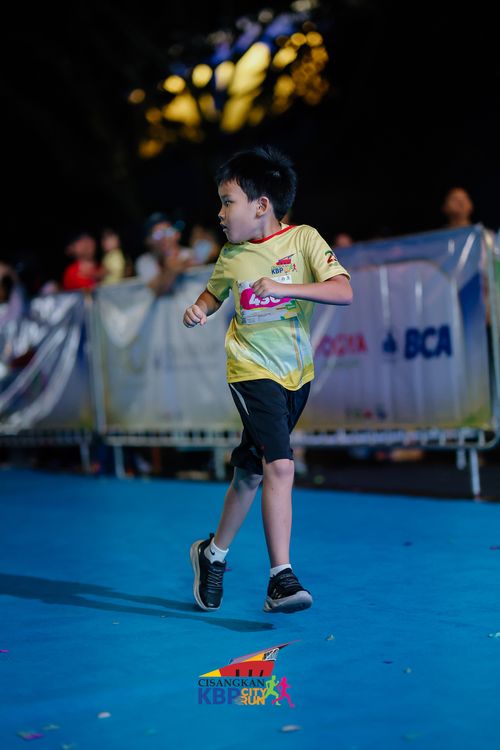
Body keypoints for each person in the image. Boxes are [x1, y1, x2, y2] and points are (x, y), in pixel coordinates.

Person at [183, 145, 353, 614]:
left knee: (250, 472)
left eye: (228, 202)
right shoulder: (231, 256)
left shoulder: (304, 240)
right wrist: (199, 308)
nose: (220, 213)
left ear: (261, 205)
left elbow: (343, 291)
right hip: (250, 369)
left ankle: (212, 554)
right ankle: (281, 578)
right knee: (280, 464)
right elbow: (214, 293)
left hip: (296, 375)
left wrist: (284, 287)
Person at [135, 212, 193, 295]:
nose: (164, 238)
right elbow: (156, 290)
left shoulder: (189, 254)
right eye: (158, 235)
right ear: (148, 240)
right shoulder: (144, 261)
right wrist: (170, 270)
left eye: (168, 232)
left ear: (177, 234)